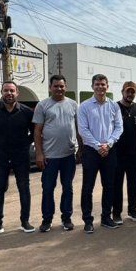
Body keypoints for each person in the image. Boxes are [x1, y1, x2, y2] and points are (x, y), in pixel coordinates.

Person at [0, 81, 35, 238]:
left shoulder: (27, 112)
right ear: (1, 92)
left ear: (17, 93)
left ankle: (25, 221)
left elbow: (34, 133)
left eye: (12, 90)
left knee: (23, 188)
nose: (9, 93)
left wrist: (23, 144)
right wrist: (0, 142)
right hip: (0, 156)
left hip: (21, 156)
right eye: (6, 90)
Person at [33, 74, 80, 232]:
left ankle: (66, 218)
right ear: (50, 87)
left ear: (66, 87)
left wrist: (81, 149)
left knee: (68, 188)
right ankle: (47, 219)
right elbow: (37, 131)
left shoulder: (73, 104)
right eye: (56, 86)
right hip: (49, 157)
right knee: (48, 189)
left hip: (68, 155)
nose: (59, 89)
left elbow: (78, 128)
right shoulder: (43, 105)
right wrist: (39, 154)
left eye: (62, 86)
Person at [77, 74, 123, 234]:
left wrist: (108, 144)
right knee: (87, 187)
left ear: (107, 86)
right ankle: (87, 220)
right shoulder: (84, 107)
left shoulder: (114, 106)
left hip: (109, 150)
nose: (100, 87)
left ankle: (106, 217)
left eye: (103, 84)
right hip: (91, 151)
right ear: (92, 86)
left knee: (109, 186)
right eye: (97, 84)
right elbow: (83, 130)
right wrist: (98, 146)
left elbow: (119, 127)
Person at [112, 81, 136, 223]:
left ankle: (132, 210)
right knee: (116, 185)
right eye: (128, 91)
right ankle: (116, 213)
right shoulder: (114, 107)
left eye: (133, 92)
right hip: (117, 154)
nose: (130, 94)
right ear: (122, 92)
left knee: (133, 185)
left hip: (134, 155)